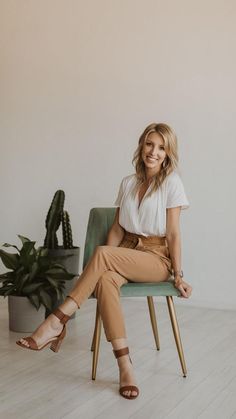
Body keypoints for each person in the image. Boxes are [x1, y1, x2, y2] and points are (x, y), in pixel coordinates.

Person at [16, 122, 192, 400]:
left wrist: (178, 275)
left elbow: (173, 233)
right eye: (149, 144)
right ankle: (125, 367)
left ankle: (56, 321)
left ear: (168, 153)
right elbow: (118, 229)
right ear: (141, 145)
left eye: (161, 147)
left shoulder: (172, 183)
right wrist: (102, 267)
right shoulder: (128, 182)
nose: (153, 152)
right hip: (126, 250)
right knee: (107, 280)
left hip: (156, 258)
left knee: (102, 254)